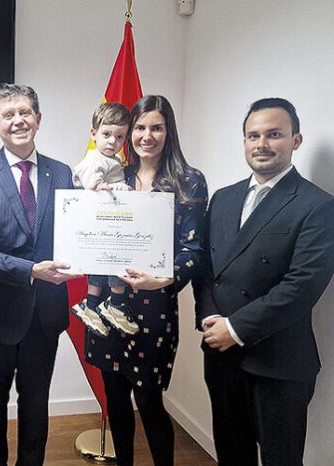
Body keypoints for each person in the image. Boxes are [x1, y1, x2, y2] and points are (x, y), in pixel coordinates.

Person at [194, 98, 334, 466]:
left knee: (280, 459)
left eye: (274, 135)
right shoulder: (223, 199)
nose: (262, 144)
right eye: (253, 135)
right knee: (231, 453)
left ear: (296, 140)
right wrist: (210, 320)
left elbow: (302, 286)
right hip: (222, 357)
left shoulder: (317, 205)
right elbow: (207, 270)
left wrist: (236, 327)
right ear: (244, 142)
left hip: (279, 362)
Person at [0, 83, 81, 466]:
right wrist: (31, 270)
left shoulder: (62, 174)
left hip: (44, 316)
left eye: (25, 113)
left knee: (36, 404)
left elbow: (76, 235)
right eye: (8, 115)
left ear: (39, 120)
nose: (18, 121)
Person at [85, 95, 208, 466]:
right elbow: (90, 232)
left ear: (168, 131)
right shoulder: (112, 174)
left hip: (155, 308)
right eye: (139, 128)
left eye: (156, 127)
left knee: (150, 402)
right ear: (129, 133)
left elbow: (194, 251)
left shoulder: (188, 181)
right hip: (108, 305)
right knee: (116, 399)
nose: (147, 135)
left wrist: (164, 279)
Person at [70, 102, 135, 337]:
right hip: (97, 220)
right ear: (93, 134)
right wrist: (119, 187)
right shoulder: (95, 159)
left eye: (120, 137)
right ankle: (115, 305)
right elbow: (93, 187)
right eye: (106, 134)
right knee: (114, 262)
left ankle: (90, 304)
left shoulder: (113, 160)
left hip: (103, 224)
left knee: (100, 265)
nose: (112, 142)